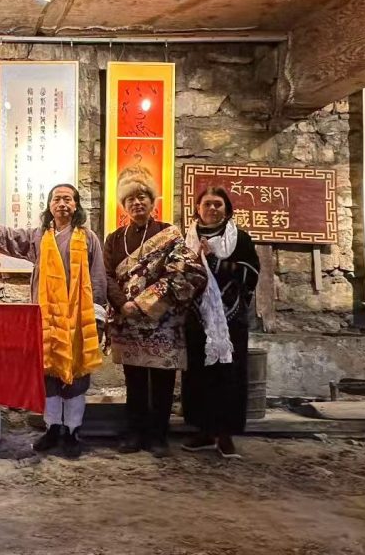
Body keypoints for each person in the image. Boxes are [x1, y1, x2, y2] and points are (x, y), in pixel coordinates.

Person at [0, 184, 106, 459]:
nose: (62, 203)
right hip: (47, 316)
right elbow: (10, 238)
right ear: (49, 206)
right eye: (57, 199)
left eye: (68, 199)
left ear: (76, 205)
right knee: (49, 374)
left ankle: (73, 431)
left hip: (78, 316)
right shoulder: (40, 237)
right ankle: (53, 428)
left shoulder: (88, 239)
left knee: (77, 373)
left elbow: (98, 277)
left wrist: (97, 316)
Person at [103, 172, 206, 458]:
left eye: (142, 197)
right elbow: (107, 275)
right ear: (123, 205)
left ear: (152, 202)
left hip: (163, 320)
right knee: (134, 380)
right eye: (130, 199)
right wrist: (123, 304)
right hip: (127, 319)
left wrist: (146, 302)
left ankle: (159, 436)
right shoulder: (115, 238)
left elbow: (183, 271)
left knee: (162, 381)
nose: (137, 203)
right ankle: (134, 433)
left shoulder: (169, 233)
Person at [181, 186, 260, 459]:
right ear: (198, 208)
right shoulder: (187, 239)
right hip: (196, 317)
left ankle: (225, 435)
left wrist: (214, 260)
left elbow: (251, 273)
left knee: (228, 375)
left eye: (218, 204)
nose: (212, 208)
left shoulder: (240, 239)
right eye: (207, 204)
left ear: (227, 209)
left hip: (230, 320)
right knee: (199, 374)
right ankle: (204, 430)